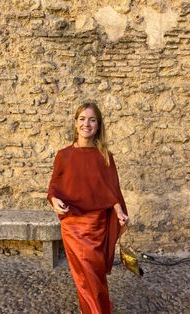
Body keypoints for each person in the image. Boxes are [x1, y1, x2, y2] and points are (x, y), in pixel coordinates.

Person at [47, 102, 129, 314]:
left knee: (95, 275)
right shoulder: (63, 155)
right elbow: (53, 187)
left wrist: (119, 212)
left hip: (97, 226)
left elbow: (111, 190)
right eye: (82, 119)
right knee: (83, 278)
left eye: (92, 119)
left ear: (98, 125)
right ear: (75, 123)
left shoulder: (105, 156)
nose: (87, 123)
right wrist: (54, 200)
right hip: (73, 225)